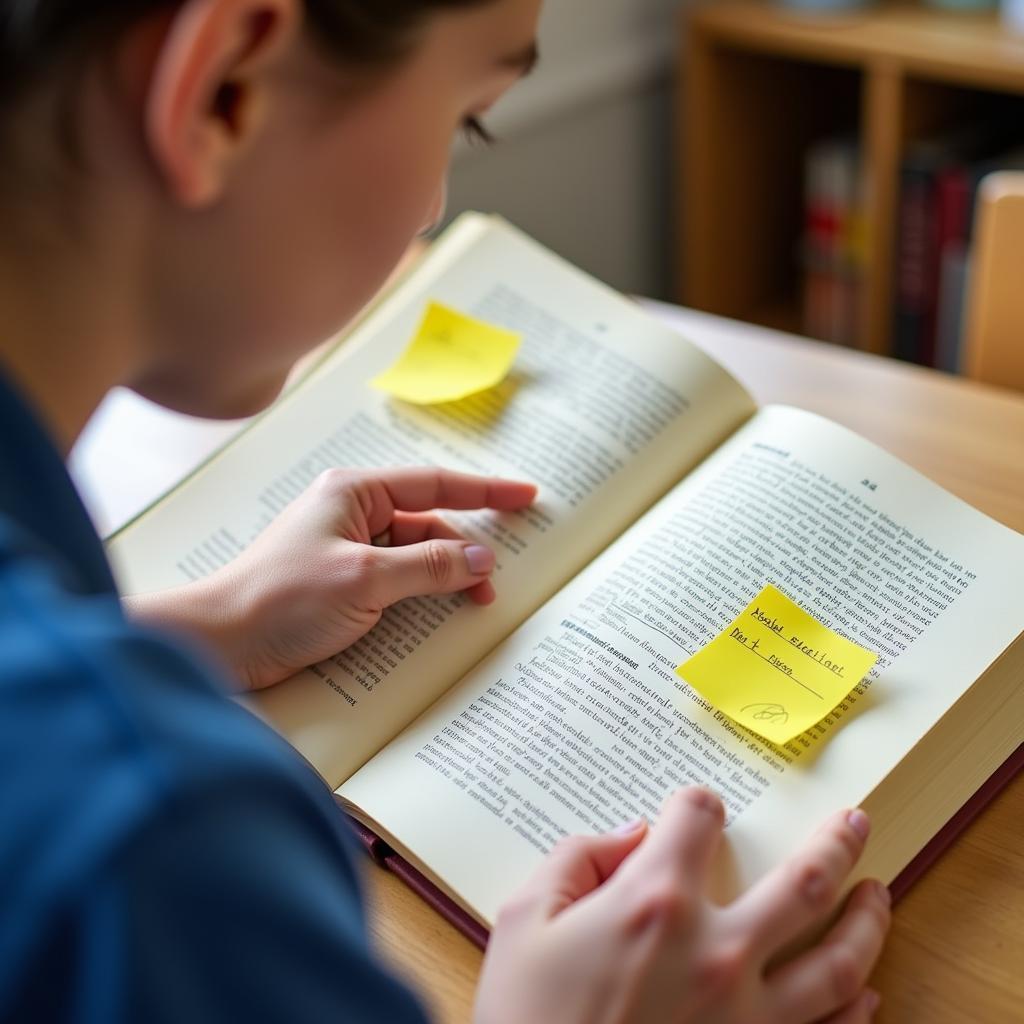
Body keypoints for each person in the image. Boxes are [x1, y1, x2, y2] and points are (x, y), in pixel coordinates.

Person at [0, 1, 891, 1021]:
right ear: (223, 90)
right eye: (468, 115)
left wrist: (189, 631)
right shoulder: (157, 850)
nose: (432, 209)